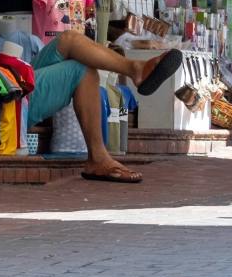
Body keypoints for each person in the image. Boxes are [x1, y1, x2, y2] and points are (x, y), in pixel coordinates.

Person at [23, 24, 182, 184]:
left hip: (7, 79)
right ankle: (98, 158)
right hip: (3, 102)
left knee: (68, 39)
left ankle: (135, 68)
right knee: (83, 71)